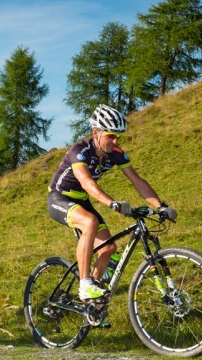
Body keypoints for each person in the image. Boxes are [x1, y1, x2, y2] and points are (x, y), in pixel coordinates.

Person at [47, 105, 177, 321]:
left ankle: (92, 303)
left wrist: (160, 206)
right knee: (89, 222)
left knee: (108, 248)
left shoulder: (115, 155)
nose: (116, 141)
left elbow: (137, 181)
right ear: (96, 132)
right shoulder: (80, 151)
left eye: (118, 136)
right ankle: (84, 284)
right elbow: (87, 183)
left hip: (82, 202)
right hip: (59, 199)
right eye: (111, 136)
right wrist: (112, 203)